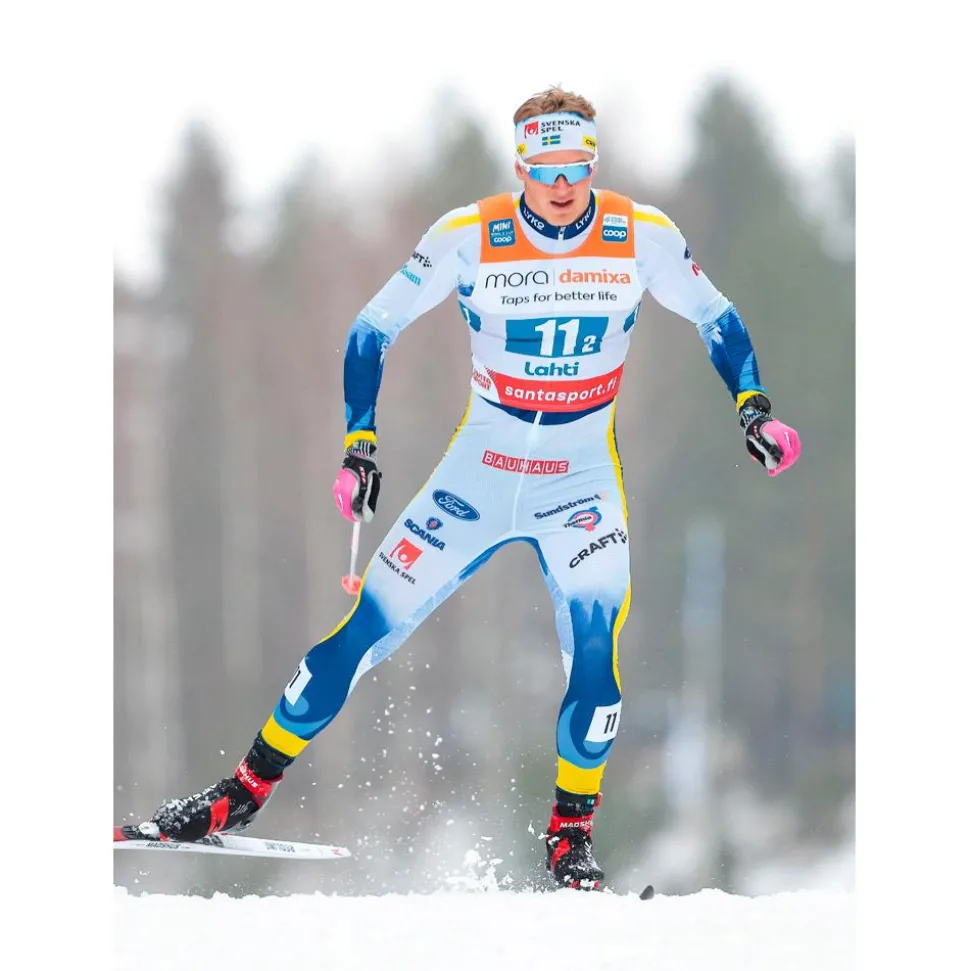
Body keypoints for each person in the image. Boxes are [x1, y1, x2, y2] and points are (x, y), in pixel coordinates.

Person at [137, 86, 801, 891]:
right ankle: (238, 793)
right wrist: (359, 444)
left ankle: (570, 841)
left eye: (578, 165)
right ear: (521, 166)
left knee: (596, 655)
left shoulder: (641, 235)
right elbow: (371, 329)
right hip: (478, 476)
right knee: (360, 633)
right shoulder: (469, 237)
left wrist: (753, 408)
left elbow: (717, 318)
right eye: (547, 167)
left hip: (580, 483)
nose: (564, 184)